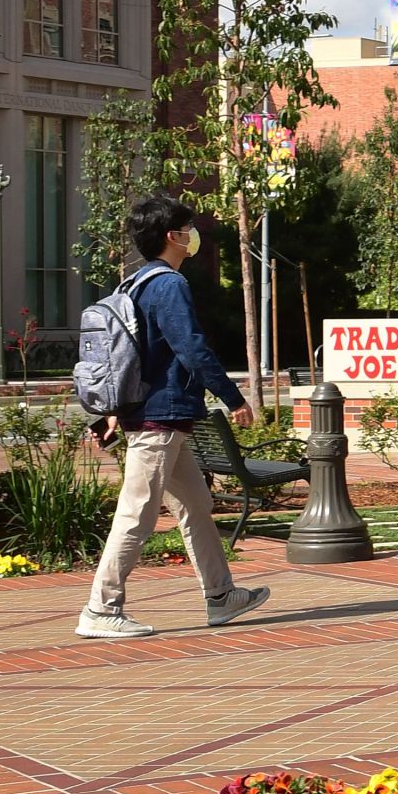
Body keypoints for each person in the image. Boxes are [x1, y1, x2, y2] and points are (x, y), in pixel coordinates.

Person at [77, 194, 271, 640]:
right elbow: (191, 347)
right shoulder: (167, 285)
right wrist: (233, 398)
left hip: (160, 416)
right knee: (137, 514)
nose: (193, 235)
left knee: (197, 507)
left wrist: (112, 410)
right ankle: (100, 608)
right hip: (159, 419)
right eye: (188, 228)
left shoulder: (134, 283)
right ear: (173, 236)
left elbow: (132, 358)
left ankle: (221, 596)